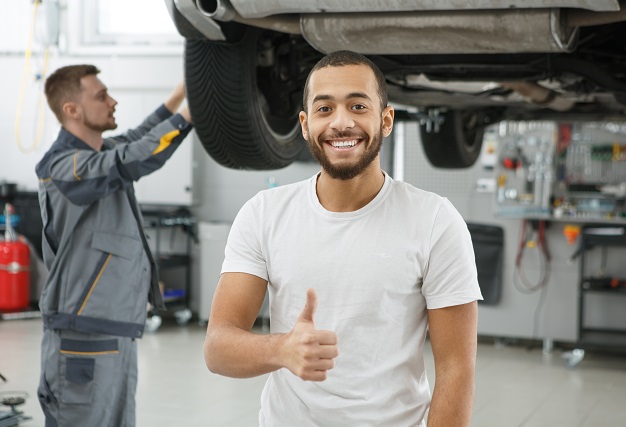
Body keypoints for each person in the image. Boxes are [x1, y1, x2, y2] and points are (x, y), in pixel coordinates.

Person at [203, 50, 483, 426]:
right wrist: (282, 348)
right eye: (324, 109)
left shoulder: (435, 220)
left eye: (357, 105)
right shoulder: (264, 213)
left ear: (386, 120)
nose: (341, 122)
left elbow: (456, 369)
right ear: (304, 124)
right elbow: (218, 348)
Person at [35, 64, 192, 427]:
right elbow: (130, 159)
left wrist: (182, 93)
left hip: (114, 327)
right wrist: (190, 116)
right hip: (80, 333)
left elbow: (140, 137)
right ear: (72, 110)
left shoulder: (100, 152)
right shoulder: (62, 166)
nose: (113, 101)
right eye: (101, 96)